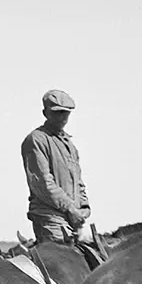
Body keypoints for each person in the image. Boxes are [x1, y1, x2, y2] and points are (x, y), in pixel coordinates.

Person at [21, 89, 90, 243]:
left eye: (66, 113)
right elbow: (44, 184)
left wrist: (84, 207)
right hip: (50, 219)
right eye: (57, 113)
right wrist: (71, 208)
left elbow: (78, 183)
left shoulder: (70, 145)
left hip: (73, 219)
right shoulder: (36, 140)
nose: (63, 117)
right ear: (45, 113)